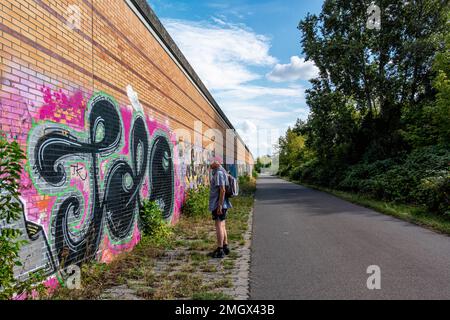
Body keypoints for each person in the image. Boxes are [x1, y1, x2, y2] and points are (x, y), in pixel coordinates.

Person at [209, 157, 232, 259]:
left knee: (218, 225)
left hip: (219, 204)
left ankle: (220, 249)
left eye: (211, 161)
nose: (209, 163)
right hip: (222, 204)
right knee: (222, 225)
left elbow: (222, 190)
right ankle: (225, 247)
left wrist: (220, 205)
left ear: (217, 163)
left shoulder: (218, 173)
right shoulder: (221, 171)